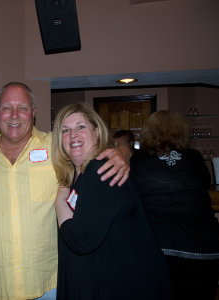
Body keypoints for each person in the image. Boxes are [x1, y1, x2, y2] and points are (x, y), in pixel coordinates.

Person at [0, 82, 130, 300]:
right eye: (7, 107)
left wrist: (121, 151)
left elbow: (91, 149)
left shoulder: (56, 145)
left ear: (33, 114)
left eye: (22, 108)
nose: (14, 115)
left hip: (49, 284)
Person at [52, 102, 171, 299]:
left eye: (80, 127)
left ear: (97, 131)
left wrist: (59, 202)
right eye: (66, 130)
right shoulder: (78, 174)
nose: (73, 135)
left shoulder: (102, 171)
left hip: (125, 286)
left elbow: (81, 241)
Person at [130, 110, 219, 300]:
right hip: (205, 244)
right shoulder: (194, 157)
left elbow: (132, 196)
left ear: (149, 132)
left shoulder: (140, 160)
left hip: (161, 244)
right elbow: (203, 183)